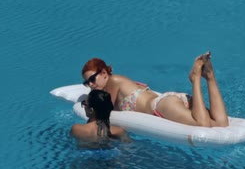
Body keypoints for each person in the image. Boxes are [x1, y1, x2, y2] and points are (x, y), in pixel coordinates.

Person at [80, 52, 229, 127]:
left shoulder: (113, 81)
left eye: (92, 79)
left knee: (202, 125)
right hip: (171, 101)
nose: (91, 85)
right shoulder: (118, 82)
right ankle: (210, 77)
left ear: (104, 73)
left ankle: (195, 78)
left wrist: (87, 108)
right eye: (87, 83)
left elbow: (103, 113)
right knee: (221, 124)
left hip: (162, 106)